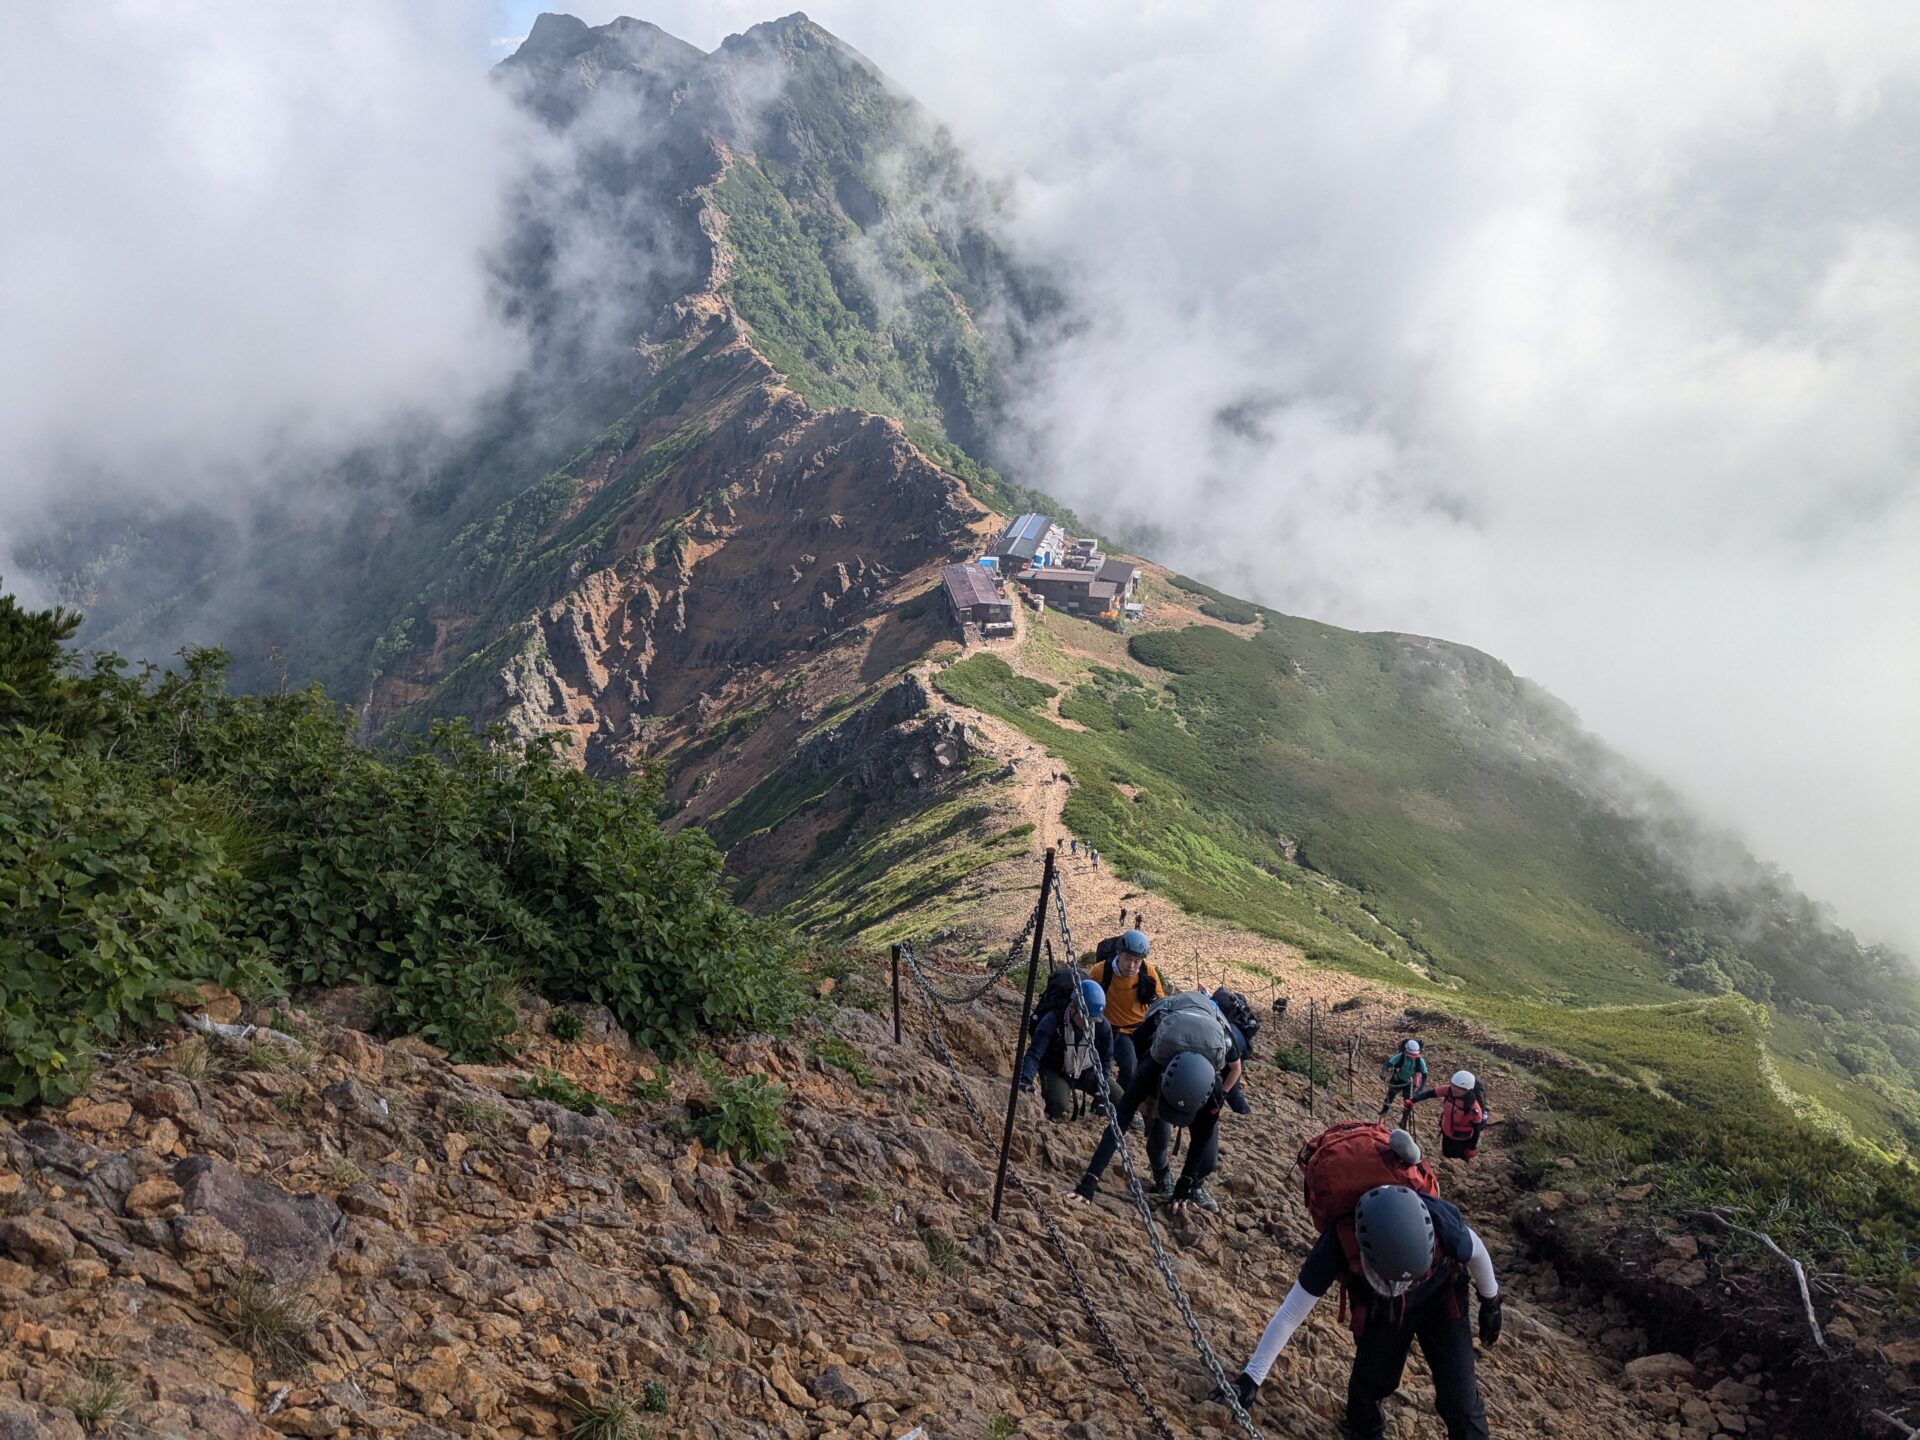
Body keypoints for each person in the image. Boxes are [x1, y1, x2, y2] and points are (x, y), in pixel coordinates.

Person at [1223, 1182, 1502, 1438]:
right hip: (1382, 1307)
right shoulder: (1338, 1242)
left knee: (1461, 1400)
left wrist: (1491, 1303)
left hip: (1441, 1296)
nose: (1403, 1286)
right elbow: (1291, 1313)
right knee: (1371, 1384)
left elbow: (1476, 1252)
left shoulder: (1441, 1220)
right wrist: (1251, 1377)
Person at [1065, 989, 1244, 1213]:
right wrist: (1088, 1183)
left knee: (1208, 1159)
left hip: (1197, 1072)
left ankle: (1193, 1185)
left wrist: (1183, 1186)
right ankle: (1161, 1173)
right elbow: (1118, 1125)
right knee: (1159, 1135)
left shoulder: (1213, 1088)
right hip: (1159, 1070)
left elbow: (1201, 1137)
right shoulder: (1150, 1068)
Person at [1019, 977, 1115, 1121]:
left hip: (1086, 1069)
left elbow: (1106, 1059)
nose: (1089, 1024)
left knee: (1118, 1100)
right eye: (1086, 1019)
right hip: (1057, 1069)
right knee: (1057, 1105)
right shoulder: (1053, 1020)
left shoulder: (1102, 1025)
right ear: (1072, 1008)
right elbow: (1035, 1053)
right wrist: (1025, 1080)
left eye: (1093, 1020)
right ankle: (1057, 1090)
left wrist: (1101, 1091)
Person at [1086, 930, 1164, 1091]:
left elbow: (1161, 1004)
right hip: (1111, 1029)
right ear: (1119, 954)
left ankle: (1115, 1100)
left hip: (1140, 1030)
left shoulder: (1148, 972)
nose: (1132, 966)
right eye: (1128, 959)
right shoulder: (1101, 971)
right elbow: (1086, 997)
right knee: (1128, 1068)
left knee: (1138, 1072)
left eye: (1137, 961)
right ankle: (1108, 1100)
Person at [1410, 1070, 1490, 1160]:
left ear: (1468, 1090)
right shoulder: (1448, 1090)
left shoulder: (1474, 1108)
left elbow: (1476, 1131)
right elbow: (1431, 1093)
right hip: (1446, 1131)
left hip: (1461, 1139)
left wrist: (1471, 1148)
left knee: (1457, 1157)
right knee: (1446, 1154)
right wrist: (1413, 1100)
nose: (1455, 1089)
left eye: (1459, 1088)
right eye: (1453, 1085)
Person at [1378, 1038, 1428, 1120]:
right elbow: (1388, 1065)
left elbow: (1425, 1075)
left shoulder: (1420, 1061)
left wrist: (1420, 1089)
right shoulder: (1400, 1056)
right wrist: (1384, 1074)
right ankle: (1384, 1110)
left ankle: (1404, 1119)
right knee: (1390, 1096)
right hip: (1398, 1079)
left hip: (1410, 1083)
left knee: (1408, 1102)